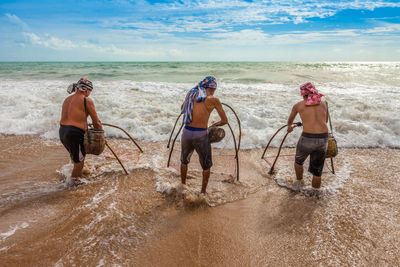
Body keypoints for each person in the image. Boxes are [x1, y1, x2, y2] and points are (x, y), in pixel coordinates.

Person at [180, 76, 228, 194]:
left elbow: (182, 108)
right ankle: (202, 192)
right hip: (200, 135)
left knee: (184, 161)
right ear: (213, 88)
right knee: (206, 166)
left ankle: (182, 186)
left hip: (186, 132)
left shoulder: (191, 95)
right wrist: (212, 125)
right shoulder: (213, 100)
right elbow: (224, 121)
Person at [59, 77, 102, 183]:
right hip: (74, 134)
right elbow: (97, 122)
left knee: (77, 157)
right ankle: (73, 187)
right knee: (79, 164)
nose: (89, 94)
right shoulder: (86, 100)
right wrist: (101, 135)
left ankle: (77, 177)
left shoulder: (67, 99)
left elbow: (73, 117)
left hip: (63, 131)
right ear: (87, 90)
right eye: (90, 92)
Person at [287, 82, 328, 188]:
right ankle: (315, 193)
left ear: (302, 93)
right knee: (317, 171)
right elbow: (325, 121)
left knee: (298, 162)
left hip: (308, 138)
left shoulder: (298, 105)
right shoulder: (324, 103)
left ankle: (299, 183)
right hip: (323, 139)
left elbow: (290, 122)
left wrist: (289, 127)